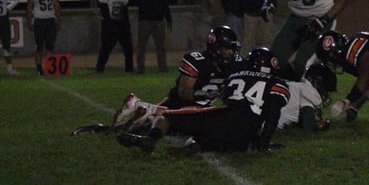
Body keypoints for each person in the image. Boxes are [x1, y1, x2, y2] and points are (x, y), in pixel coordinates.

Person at [117, 47, 290, 153]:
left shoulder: (235, 76)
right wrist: (263, 143)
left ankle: (150, 139)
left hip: (222, 118)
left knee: (167, 117)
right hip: (244, 137)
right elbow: (272, 113)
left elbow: (230, 103)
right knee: (225, 138)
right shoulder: (277, 84)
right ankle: (196, 146)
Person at [133, 0, 172, 73]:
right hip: (145, 20)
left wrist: (168, 19)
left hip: (158, 20)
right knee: (141, 46)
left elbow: (164, 3)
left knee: (160, 46)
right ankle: (141, 67)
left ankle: (162, 67)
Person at [25, 0, 61, 76]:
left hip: (50, 19)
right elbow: (29, 6)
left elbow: (56, 4)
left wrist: (58, 18)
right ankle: (39, 67)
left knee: (50, 45)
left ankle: (50, 68)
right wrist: (29, 20)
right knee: (39, 46)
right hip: (39, 19)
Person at [95, 0, 134, 73]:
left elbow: (125, 13)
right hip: (109, 25)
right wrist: (110, 26)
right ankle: (100, 68)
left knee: (128, 48)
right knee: (106, 48)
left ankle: (129, 68)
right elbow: (104, 12)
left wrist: (126, 26)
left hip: (121, 25)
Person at [0, 0, 21, 75]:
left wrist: (8, 8)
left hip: (3, 18)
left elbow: (16, 0)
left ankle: (9, 68)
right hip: (3, 17)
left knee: (6, 44)